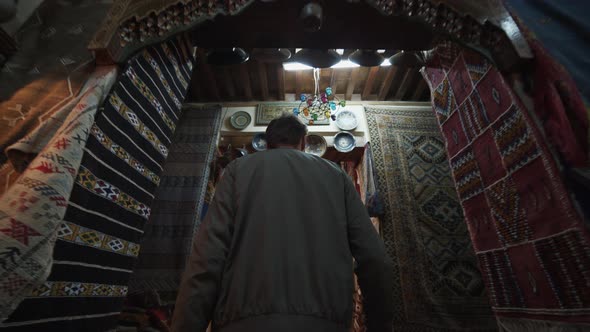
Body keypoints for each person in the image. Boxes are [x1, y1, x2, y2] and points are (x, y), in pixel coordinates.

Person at [172, 114, 394, 332]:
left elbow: (207, 258)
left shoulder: (237, 171)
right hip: (324, 322)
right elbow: (374, 259)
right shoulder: (336, 176)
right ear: (304, 142)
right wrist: (379, 324)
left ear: (267, 144)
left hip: (243, 322)